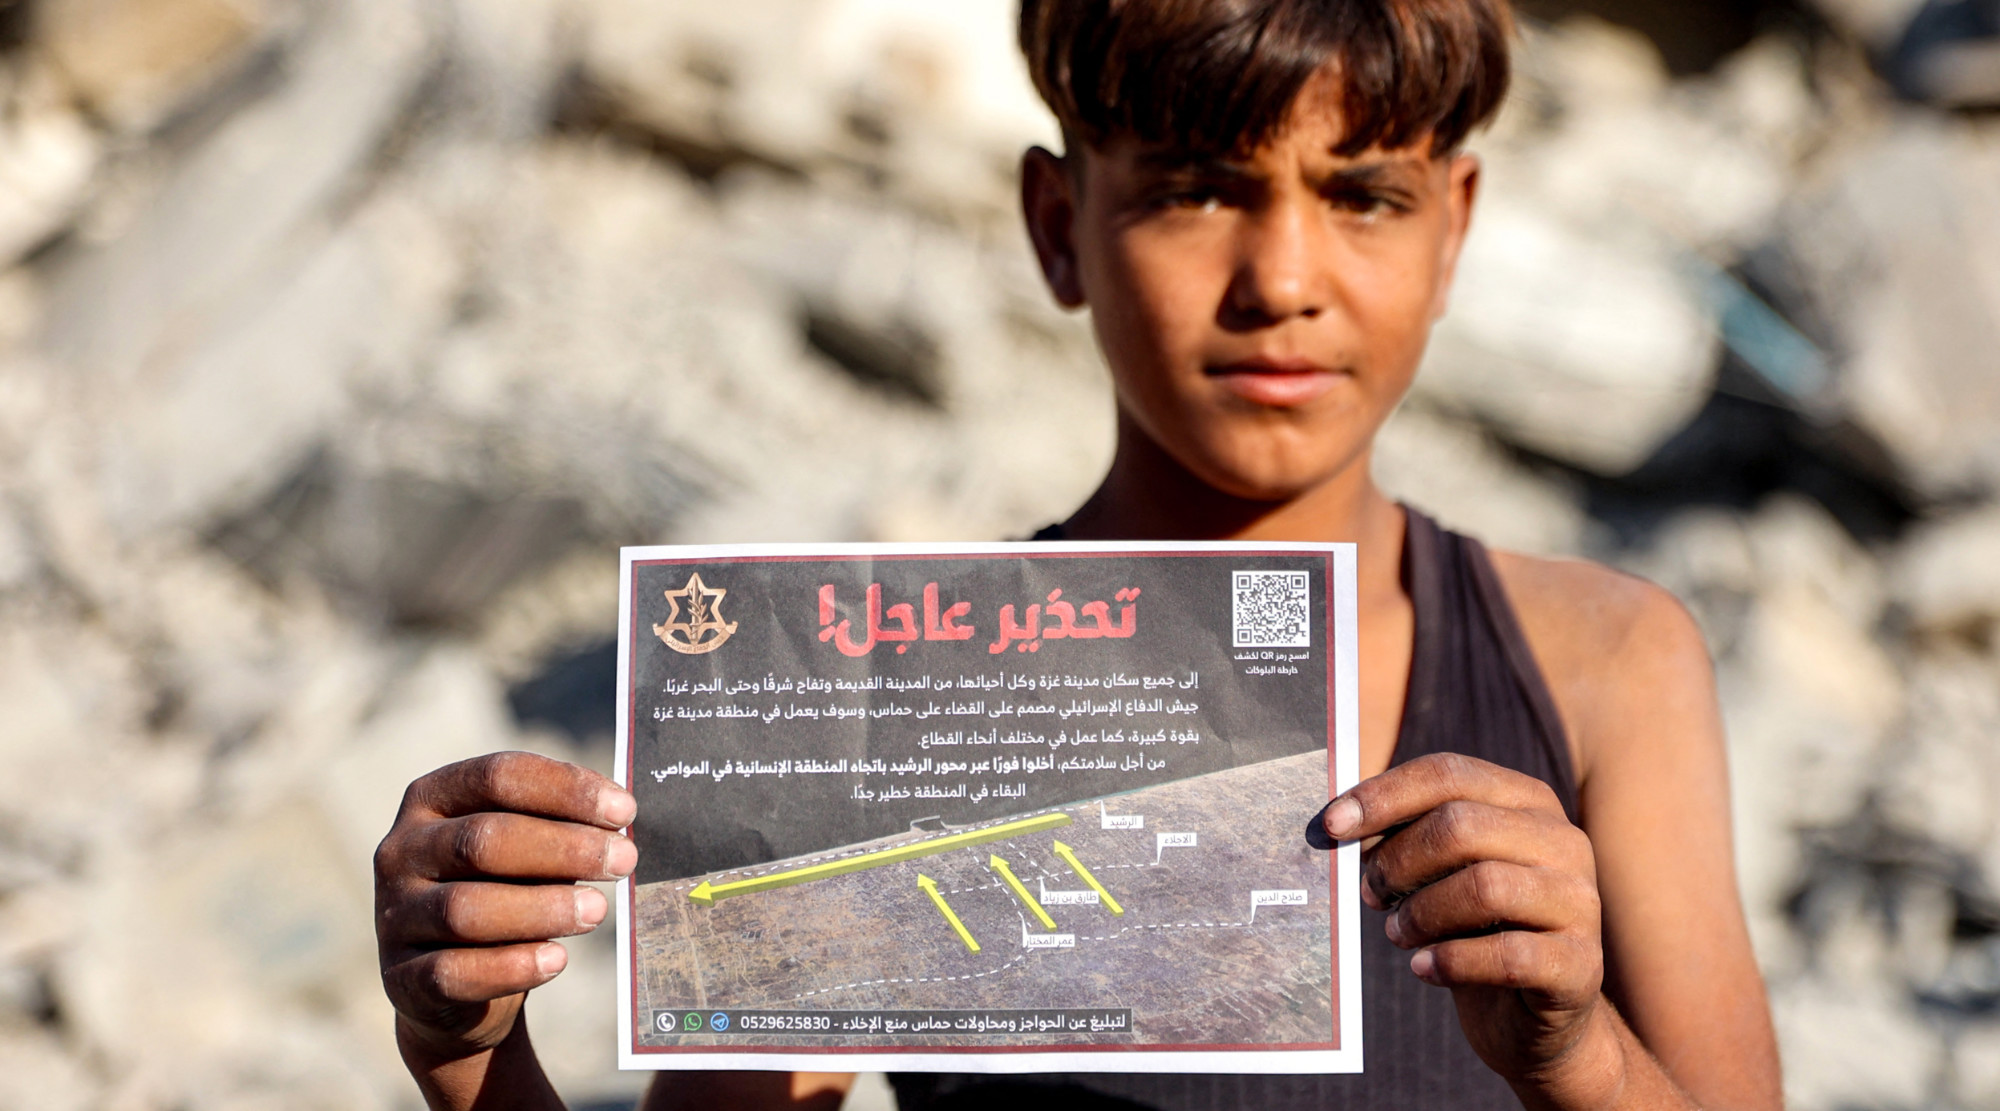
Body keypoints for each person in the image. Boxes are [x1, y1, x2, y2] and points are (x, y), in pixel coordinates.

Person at [371, 0, 1784, 1107]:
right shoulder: (881, 690)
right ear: (1060, 227)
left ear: (1454, 226)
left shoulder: (1604, 663)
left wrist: (1575, 1057)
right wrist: (466, 1054)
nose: (1285, 280)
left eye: (1362, 195)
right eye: (1196, 188)